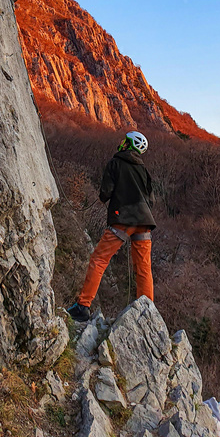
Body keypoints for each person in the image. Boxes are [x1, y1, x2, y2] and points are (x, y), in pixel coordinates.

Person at [67, 131, 155, 323]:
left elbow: (105, 192)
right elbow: (151, 198)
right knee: (144, 268)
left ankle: (83, 306)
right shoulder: (144, 170)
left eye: (124, 140)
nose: (121, 142)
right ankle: (148, 313)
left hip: (122, 218)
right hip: (144, 222)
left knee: (99, 259)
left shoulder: (115, 163)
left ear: (128, 144)